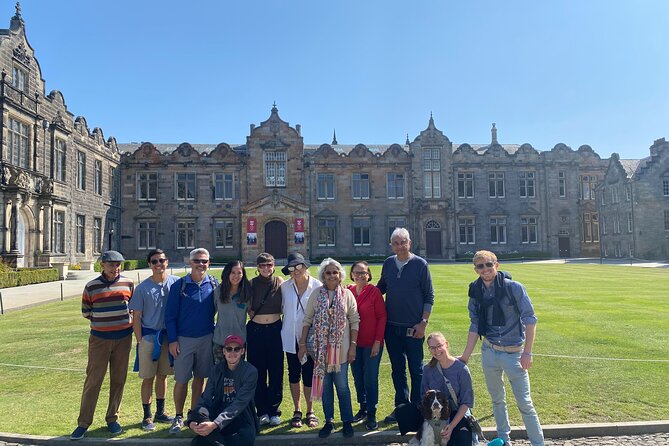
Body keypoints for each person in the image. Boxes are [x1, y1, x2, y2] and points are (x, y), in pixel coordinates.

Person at [459, 250, 544, 446]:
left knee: (525, 404)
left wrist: (527, 352)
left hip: (514, 353)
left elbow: (530, 320)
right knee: (497, 400)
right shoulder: (475, 290)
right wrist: (465, 355)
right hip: (489, 351)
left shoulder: (514, 288)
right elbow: (474, 325)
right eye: (480, 266)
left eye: (489, 264)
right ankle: (504, 440)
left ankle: (538, 443)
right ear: (475, 270)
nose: (485, 269)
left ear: (496, 265)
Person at [70, 250, 134, 440]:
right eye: (112, 264)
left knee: (118, 379)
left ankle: (112, 418)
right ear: (102, 265)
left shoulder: (128, 284)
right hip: (100, 339)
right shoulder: (92, 286)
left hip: (123, 338)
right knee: (93, 380)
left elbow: (132, 308)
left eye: (118, 264)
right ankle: (83, 423)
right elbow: (86, 312)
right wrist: (104, 323)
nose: (115, 268)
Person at [377, 227, 434, 423]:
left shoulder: (420, 264)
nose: (400, 246)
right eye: (396, 243)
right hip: (391, 327)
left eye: (403, 242)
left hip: (414, 327)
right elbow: (380, 289)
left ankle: (418, 408)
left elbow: (429, 296)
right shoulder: (388, 264)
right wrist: (357, 293)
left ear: (409, 243)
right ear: (391, 245)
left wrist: (423, 323)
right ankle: (401, 407)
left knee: (416, 369)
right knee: (397, 369)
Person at [298, 258, 360, 439]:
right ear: (323, 276)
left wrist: (353, 347)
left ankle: (347, 422)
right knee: (325, 388)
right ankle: (329, 421)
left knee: (342, 388)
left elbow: (354, 320)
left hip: (341, 352)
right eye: (328, 273)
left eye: (335, 272)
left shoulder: (347, 295)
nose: (332, 275)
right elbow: (307, 319)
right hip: (321, 352)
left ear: (340, 275)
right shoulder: (317, 294)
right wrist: (302, 344)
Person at [165, 248, 218, 434]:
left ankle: (193, 414)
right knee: (181, 379)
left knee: (200, 378)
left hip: (206, 338)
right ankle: (178, 416)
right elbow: (170, 316)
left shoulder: (213, 283)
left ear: (209, 263)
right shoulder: (179, 286)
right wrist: (172, 340)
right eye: (197, 261)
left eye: (204, 261)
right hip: (183, 339)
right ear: (190, 262)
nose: (201, 264)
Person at [129, 249, 178, 431]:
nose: (159, 264)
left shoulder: (175, 283)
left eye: (162, 261)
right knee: (148, 377)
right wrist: (141, 340)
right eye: (155, 261)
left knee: (163, 375)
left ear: (167, 262)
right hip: (149, 337)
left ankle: (160, 412)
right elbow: (136, 318)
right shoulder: (142, 288)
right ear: (149, 264)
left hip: (168, 337)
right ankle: (147, 415)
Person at [187, 335, 259, 446]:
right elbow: (205, 398)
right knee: (198, 411)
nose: (233, 353)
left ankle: (213, 440)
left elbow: (239, 404)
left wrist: (215, 424)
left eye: (237, 349)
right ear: (224, 351)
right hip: (218, 410)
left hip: (241, 416)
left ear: (242, 351)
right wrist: (191, 422)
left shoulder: (250, 372)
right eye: (229, 349)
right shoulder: (216, 370)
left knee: (245, 439)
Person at [280, 252, 322, 429]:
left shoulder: (317, 286)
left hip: (311, 339)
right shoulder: (284, 287)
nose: (296, 271)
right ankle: (297, 409)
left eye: (299, 267)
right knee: (293, 373)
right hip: (290, 337)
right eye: (292, 268)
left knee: (309, 374)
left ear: (305, 267)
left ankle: (310, 410)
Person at [347, 260, 386, 430]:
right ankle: (362, 408)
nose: (360, 275)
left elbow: (382, 317)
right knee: (357, 377)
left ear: (369, 275)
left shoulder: (374, 292)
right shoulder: (348, 291)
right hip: (354, 344)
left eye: (363, 272)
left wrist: (377, 342)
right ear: (352, 274)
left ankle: (372, 412)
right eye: (357, 272)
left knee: (370, 378)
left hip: (372, 344)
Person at [247, 252, 284, 426]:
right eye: (262, 265)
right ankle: (261, 410)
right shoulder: (251, 284)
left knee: (276, 371)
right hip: (256, 330)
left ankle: (274, 410)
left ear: (273, 265)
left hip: (276, 329)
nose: (266, 268)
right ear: (257, 267)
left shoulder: (279, 282)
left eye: (269, 265)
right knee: (258, 372)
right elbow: (244, 304)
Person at [422, 332, 474, 446]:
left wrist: (451, 427)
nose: (436, 350)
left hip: (457, 413)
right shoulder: (427, 369)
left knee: (462, 441)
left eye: (439, 346)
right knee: (404, 412)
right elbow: (423, 396)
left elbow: (466, 402)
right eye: (432, 348)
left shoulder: (462, 369)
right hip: (436, 413)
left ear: (446, 344)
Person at [213, 260, 252, 364]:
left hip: (239, 343)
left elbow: (252, 313)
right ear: (227, 274)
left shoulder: (247, 292)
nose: (236, 276)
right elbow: (210, 314)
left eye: (239, 273)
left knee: (237, 376)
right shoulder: (218, 291)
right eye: (233, 272)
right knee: (220, 376)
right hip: (220, 342)